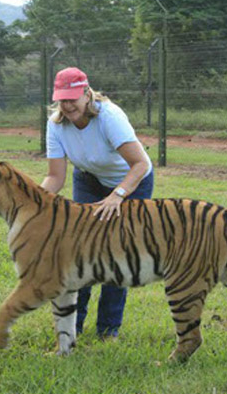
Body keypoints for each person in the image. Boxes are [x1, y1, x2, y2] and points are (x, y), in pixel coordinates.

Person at [40, 67, 154, 340]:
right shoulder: (55, 124)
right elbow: (55, 177)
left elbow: (141, 163)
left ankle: (108, 329)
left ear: (87, 93)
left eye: (72, 99)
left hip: (130, 183)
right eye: (61, 100)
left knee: (116, 255)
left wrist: (118, 195)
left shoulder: (109, 118)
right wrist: (34, 205)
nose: (67, 106)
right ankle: (73, 328)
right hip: (89, 180)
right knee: (81, 254)